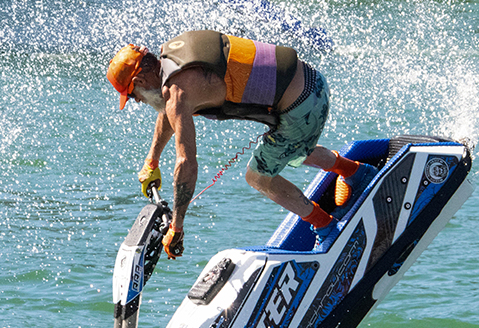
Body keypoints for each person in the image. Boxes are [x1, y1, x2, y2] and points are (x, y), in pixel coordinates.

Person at [106, 31, 377, 258]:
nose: (138, 101)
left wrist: (177, 226)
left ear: (140, 81)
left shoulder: (179, 93)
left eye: (133, 96)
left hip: (303, 107)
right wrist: (151, 161)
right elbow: (167, 111)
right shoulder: (172, 56)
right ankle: (354, 172)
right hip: (312, 84)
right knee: (289, 149)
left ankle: (327, 228)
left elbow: (186, 162)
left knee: (258, 176)